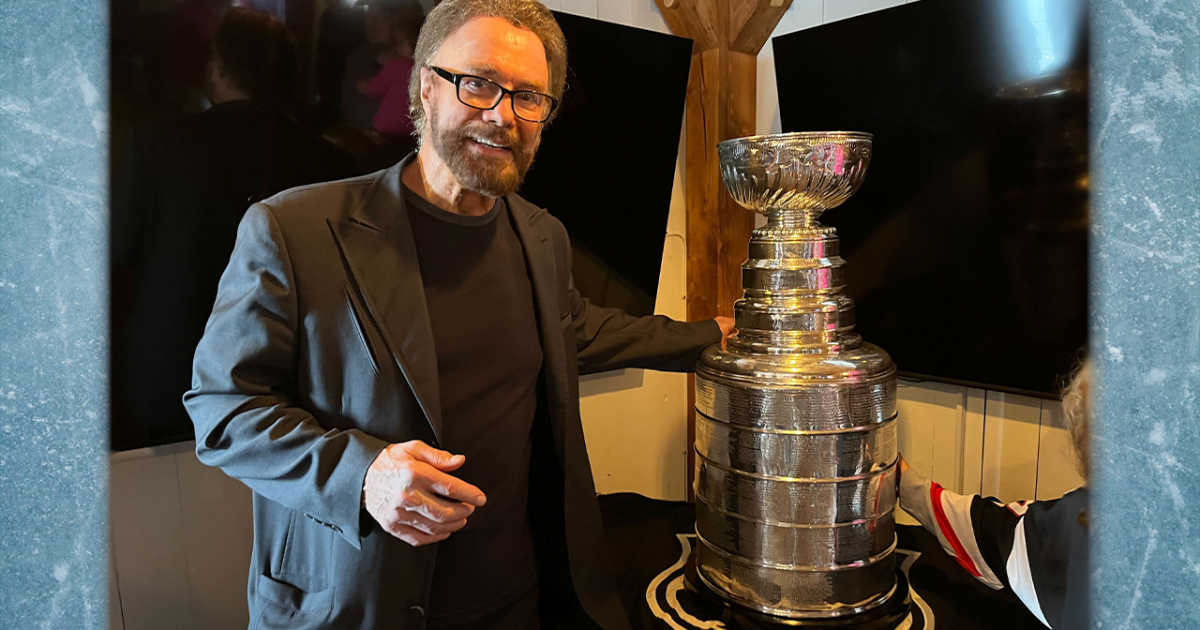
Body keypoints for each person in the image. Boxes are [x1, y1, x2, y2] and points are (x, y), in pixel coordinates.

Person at [182, 1, 735, 629]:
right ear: (425, 85)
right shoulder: (294, 228)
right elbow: (223, 410)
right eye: (478, 83)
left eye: (530, 97)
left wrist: (709, 339)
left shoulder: (542, 235)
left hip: (515, 600)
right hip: (356, 604)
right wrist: (362, 477)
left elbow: (576, 330)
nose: (502, 115)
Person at [111, 7, 352, 449]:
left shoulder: (156, 145)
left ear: (218, 67)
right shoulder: (331, 163)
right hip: (291, 388)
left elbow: (118, 248)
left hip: (169, 378)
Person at [897, 359, 1090, 630]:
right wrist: (902, 479)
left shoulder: (1076, 521)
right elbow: (991, 528)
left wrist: (897, 476)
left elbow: (992, 533)